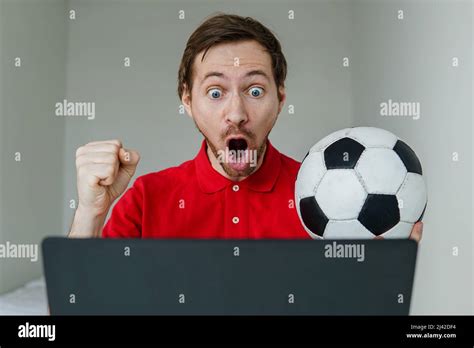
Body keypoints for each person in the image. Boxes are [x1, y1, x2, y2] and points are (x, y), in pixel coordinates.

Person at [68, 13, 423, 241]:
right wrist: (90, 212)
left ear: (280, 99)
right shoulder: (146, 201)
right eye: (215, 92)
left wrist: (383, 280)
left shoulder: (333, 200)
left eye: (255, 90)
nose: (236, 113)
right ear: (187, 101)